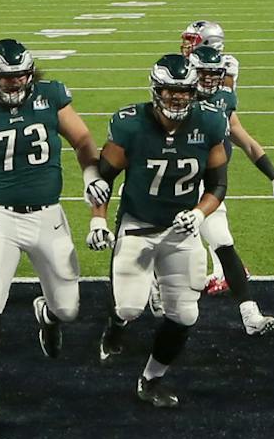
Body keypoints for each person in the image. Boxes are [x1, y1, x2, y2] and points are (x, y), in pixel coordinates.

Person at [0, 39, 104, 427]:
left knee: (69, 309)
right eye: (7, 79)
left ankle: (47, 313)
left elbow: (82, 140)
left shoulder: (49, 96)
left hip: (49, 216)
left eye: (21, 77)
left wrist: (90, 175)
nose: (15, 85)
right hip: (1, 218)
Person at [89, 54, 230, 407]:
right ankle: (115, 326)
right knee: (130, 308)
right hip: (138, 224)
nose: (177, 98)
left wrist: (199, 214)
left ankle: (151, 380)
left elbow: (217, 185)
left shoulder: (210, 123)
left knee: (184, 314)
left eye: (183, 91)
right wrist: (98, 219)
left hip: (181, 229)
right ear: (156, 90)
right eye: (170, 91)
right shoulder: (130, 124)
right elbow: (103, 179)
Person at [190, 45, 274, 335]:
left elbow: (244, 140)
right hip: (174, 188)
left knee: (224, 244)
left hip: (208, 187)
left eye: (214, 74)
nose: (209, 80)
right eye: (204, 74)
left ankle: (250, 315)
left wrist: (273, 176)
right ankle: (132, 309)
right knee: (173, 256)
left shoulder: (223, 101)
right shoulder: (179, 102)